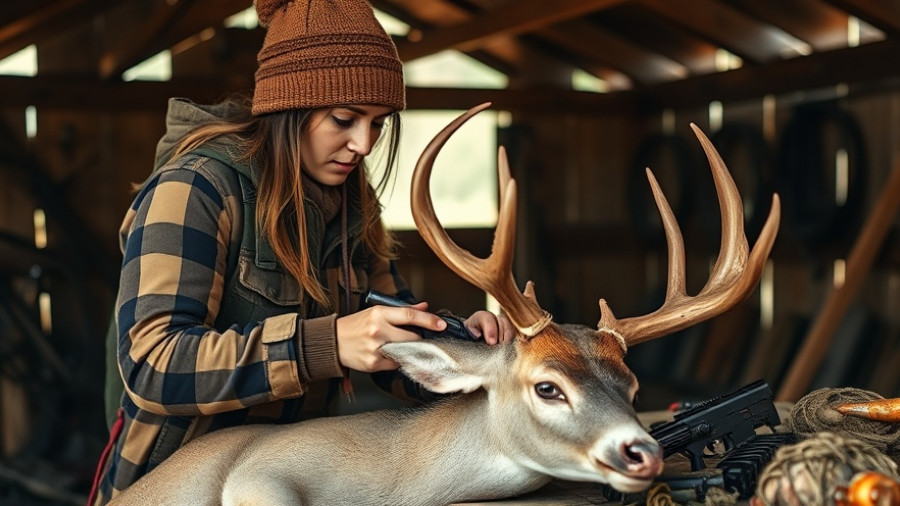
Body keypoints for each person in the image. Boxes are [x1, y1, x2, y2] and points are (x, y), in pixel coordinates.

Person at [89, 0, 513, 503]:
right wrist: (322, 346)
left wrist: (465, 352)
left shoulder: (354, 204)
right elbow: (153, 365)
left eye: (378, 123)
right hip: (176, 487)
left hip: (291, 482)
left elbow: (391, 340)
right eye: (344, 119)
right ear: (287, 107)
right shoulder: (195, 190)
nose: (364, 144)